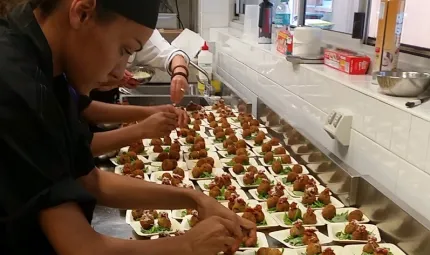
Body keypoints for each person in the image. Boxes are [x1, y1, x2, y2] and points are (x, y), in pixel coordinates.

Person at [0, 1, 254, 255]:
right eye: (124, 49)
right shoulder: (14, 86)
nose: (120, 71)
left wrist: (195, 199)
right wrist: (186, 244)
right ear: (82, 12)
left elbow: (88, 178)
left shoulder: (48, 70)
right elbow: (79, 247)